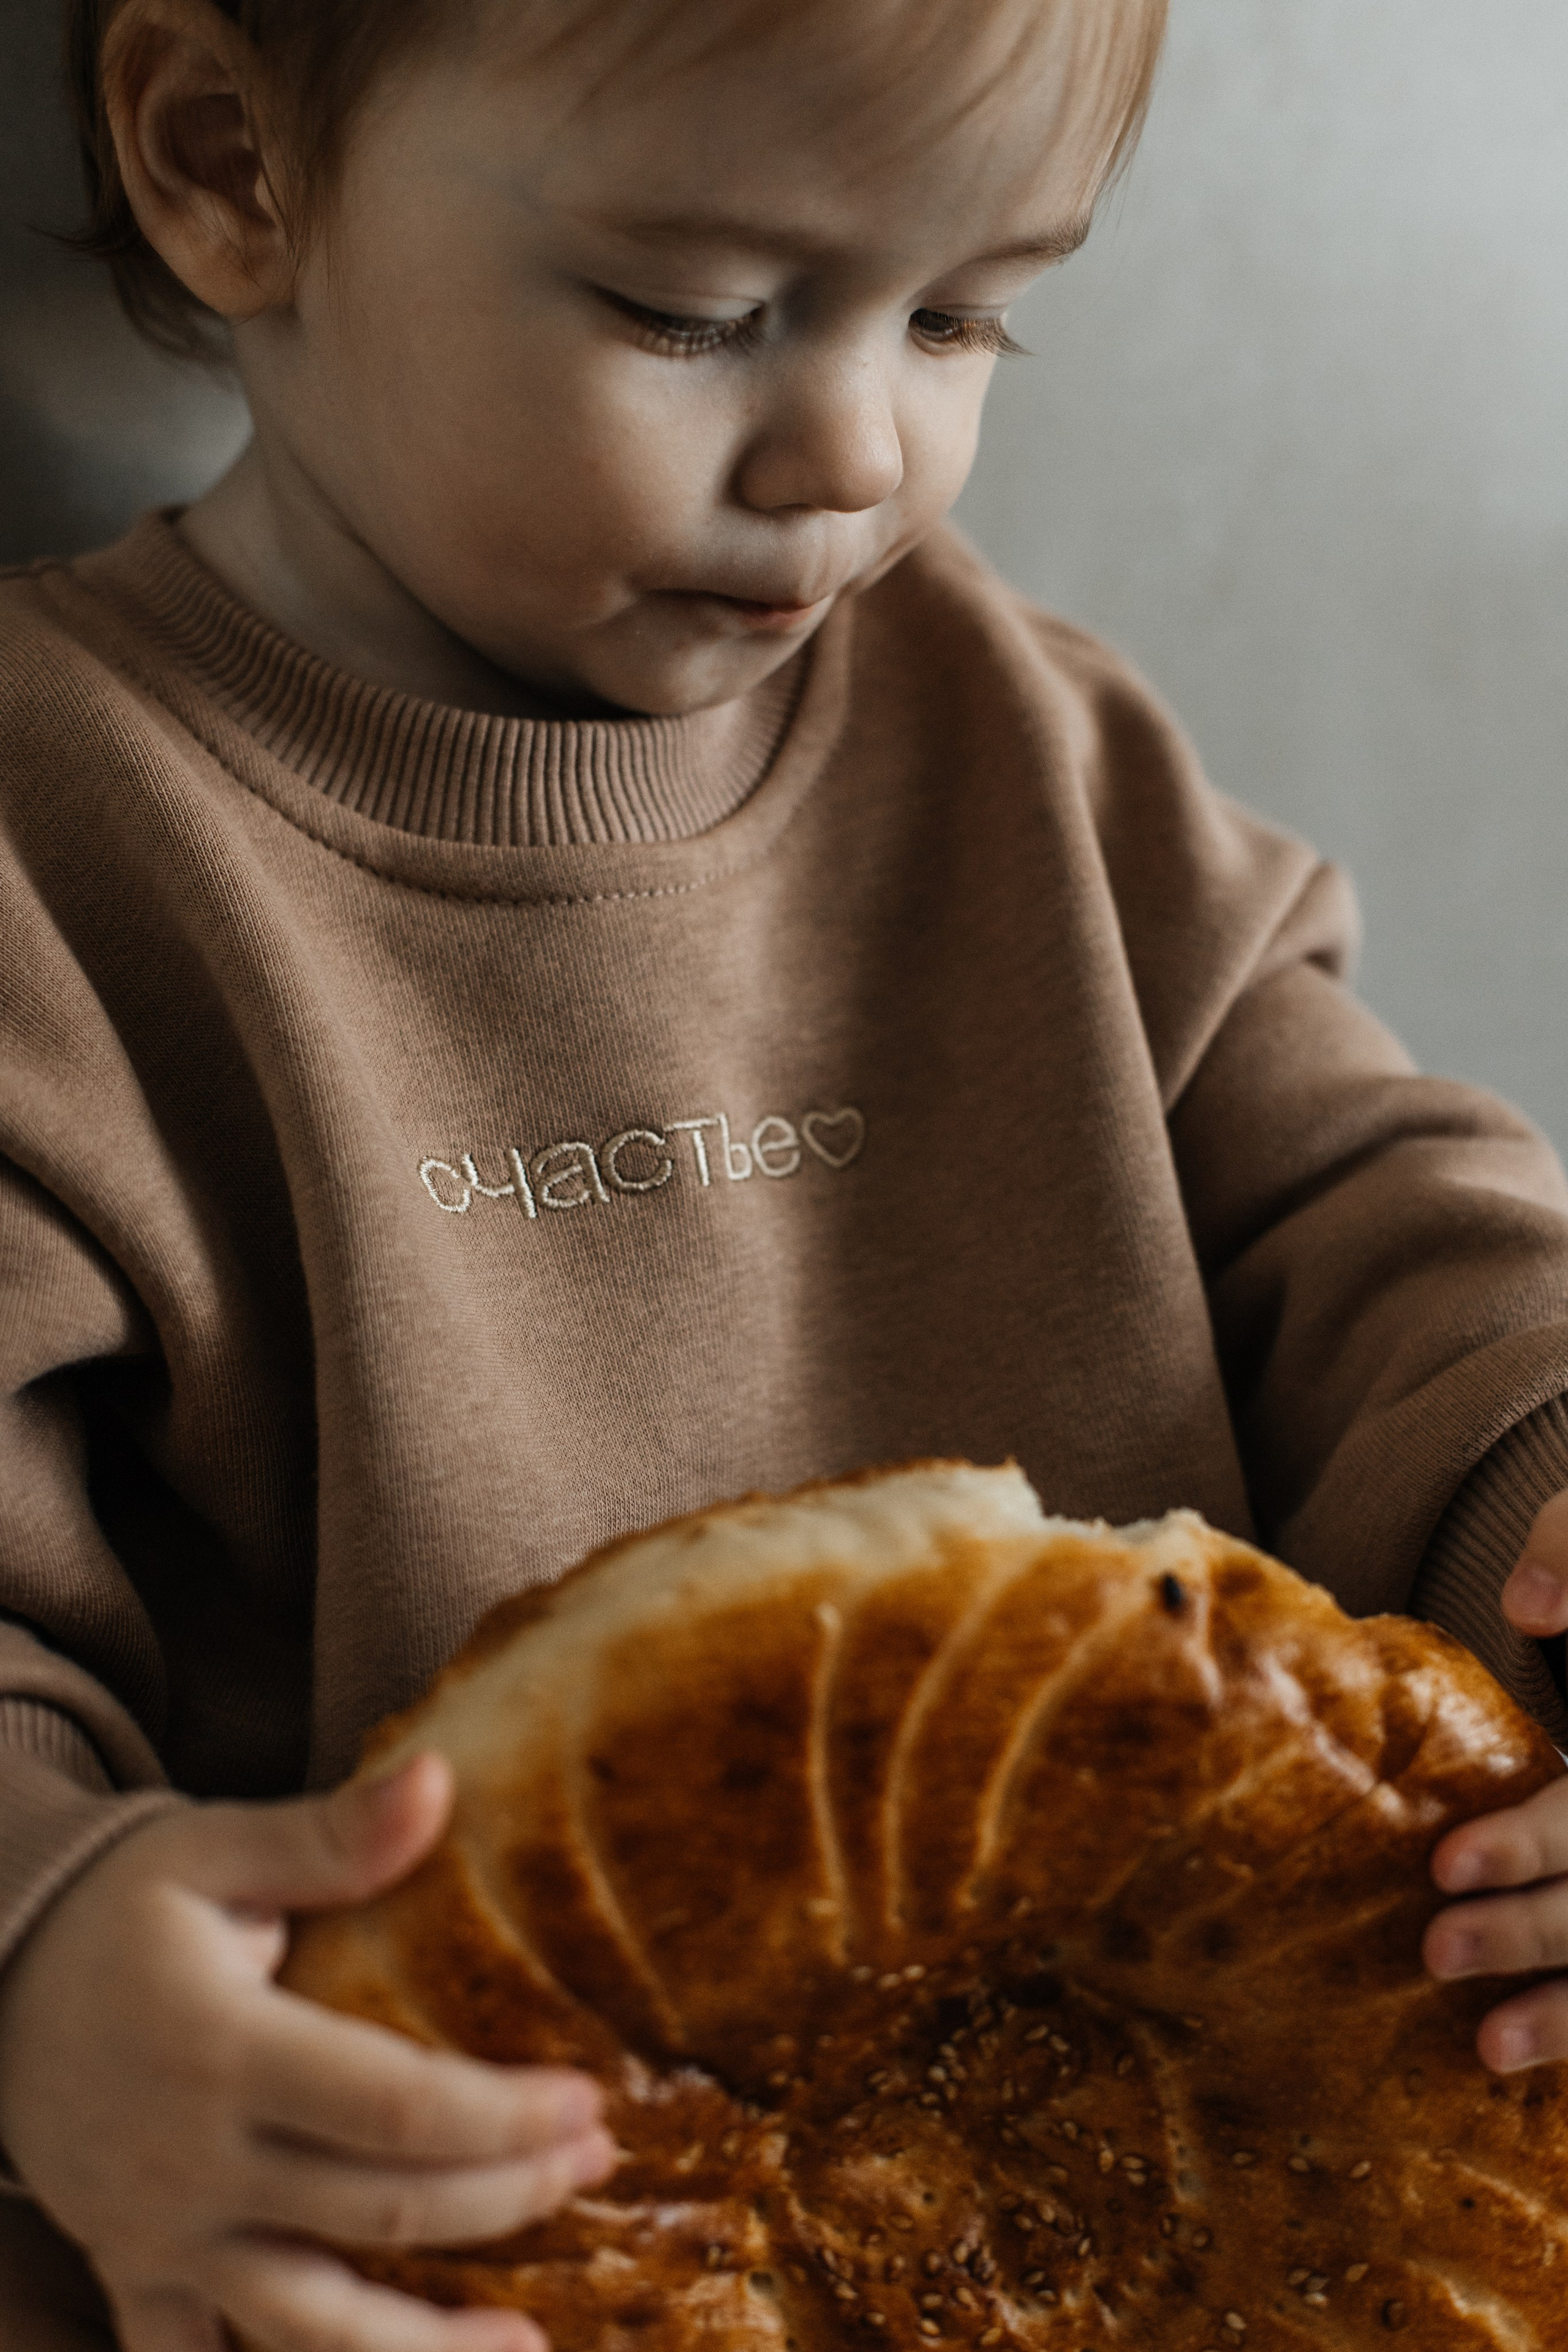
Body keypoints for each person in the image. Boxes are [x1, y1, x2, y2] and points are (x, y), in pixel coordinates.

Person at [3, 0, 1568, 2344]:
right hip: (433, 2252)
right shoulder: (57, 846)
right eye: (701, 311)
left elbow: (1376, 1220)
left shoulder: (1018, 736)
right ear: (227, 161)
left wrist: (1541, 1487)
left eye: (964, 314)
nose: (859, 450)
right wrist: (47, 1982)